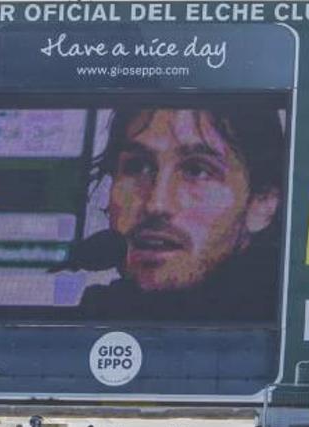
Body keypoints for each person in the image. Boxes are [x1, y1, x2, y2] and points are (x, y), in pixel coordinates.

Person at [79, 105, 286, 322]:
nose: (156, 204)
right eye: (137, 166)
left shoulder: (276, 321)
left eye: (197, 171)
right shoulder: (97, 318)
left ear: (263, 202)